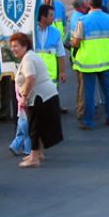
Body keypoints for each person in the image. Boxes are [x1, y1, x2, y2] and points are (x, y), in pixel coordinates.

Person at [10, 32, 64, 168]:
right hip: (46, 95)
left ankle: (34, 157)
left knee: (34, 126)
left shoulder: (28, 59)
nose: (13, 49)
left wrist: (24, 96)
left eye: (16, 46)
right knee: (38, 126)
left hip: (39, 97)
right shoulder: (30, 56)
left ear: (24, 46)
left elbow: (30, 78)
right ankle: (38, 153)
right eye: (12, 46)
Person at [71, 0, 109, 129]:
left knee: (89, 93)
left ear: (89, 3)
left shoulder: (83, 21)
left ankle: (88, 121)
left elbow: (76, 42)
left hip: (88, 62)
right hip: (105, 60)